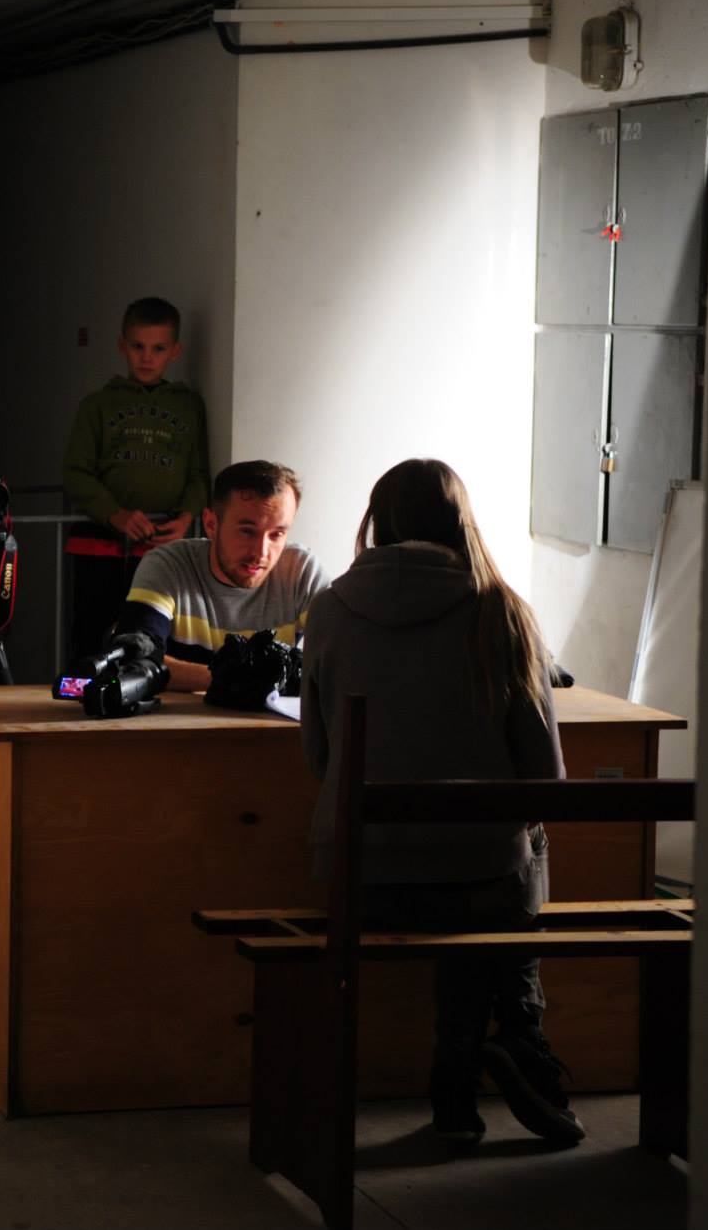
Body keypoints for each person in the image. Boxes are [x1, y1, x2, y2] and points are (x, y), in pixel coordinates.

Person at [299, 458, 583, 1147]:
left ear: (378, 521)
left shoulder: (329, 609)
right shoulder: (503, 611)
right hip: (478, 887)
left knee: (484, 866)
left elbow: (320, 758)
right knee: (510, 856)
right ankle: (508, 1040)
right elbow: (546, 779)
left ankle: (475, 1085)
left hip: (360, 878)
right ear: (462, 520)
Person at [61, 297, 210, 662]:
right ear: (122, 346)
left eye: (158, 349)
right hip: (99, 545)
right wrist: (116, 514)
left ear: (175, 351)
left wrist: (185, 518)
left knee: (149, 642)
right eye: (138, 347)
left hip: (162, 548)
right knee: (90, 639)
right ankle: (78, 696)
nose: (147, 357)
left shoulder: (188, 406)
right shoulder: (97, 405)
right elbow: (75, 472)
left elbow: (199, 474)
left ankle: (138, 695)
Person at [111, 460, 329, 692]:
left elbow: (343, 659)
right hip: (183, 715)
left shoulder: (302, 572)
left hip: (267, 716)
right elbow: (133, 658)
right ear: (211, 524)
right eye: (247, 531)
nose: (261, 553)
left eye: (277, 534)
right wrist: (245, 681)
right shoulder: (167, 565)